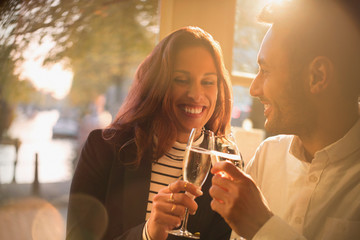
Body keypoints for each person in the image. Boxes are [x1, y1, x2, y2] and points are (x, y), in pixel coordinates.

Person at [209, 0, 360, 239]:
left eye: (265, 71)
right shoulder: (267, 156)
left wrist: (262, 228)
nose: (253, 89)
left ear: (317, 76)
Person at [66, 26, 233, 240]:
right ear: (158, 85)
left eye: (208, 82)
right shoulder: (103, 149)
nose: (195, 94)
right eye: (181, 79)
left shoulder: (223, 171)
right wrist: (147, 233)